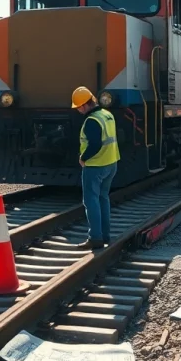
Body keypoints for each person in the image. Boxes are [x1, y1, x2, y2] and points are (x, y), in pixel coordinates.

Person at [71, 86, 120, 250]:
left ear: (84, 105)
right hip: (111, 164)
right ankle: (105, 236)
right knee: (103, 198)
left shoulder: (92, 120)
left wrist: (82, 158)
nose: (78, 110)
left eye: (78, 107)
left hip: (95, 166)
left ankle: (95, 238)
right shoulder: (107, 114)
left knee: (91, 201)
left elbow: (95, 144)